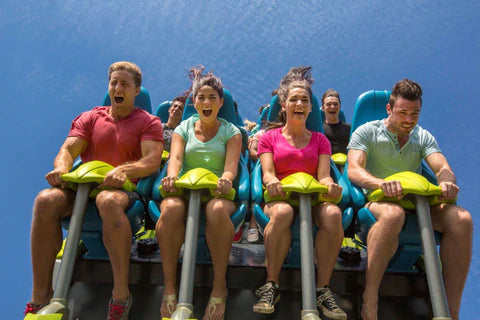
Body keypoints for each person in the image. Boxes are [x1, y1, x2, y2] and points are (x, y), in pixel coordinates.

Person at [24, 61, 164, 319]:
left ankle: (121, 294)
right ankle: (40, 297)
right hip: (83, 188)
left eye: (124, 84)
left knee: (108, 202)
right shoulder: (90, 117)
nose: (117, 87)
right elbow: (68, 150)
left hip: (121, 190)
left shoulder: (149, 122)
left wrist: (123, 171)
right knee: (45, 200)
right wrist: (62, 170)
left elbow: (151, 160)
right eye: (113, 82)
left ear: (136, 91)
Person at [347, 79, 472, 320]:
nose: (408, 120)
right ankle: (369, 299)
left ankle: (450, 312)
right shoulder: (368, 131)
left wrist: (446, 181)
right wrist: (380, 183)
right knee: (394, 214)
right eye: (402, 113)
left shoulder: (421, 136)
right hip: (379, 201)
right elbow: (354, 169)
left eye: (414, 114)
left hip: (417, 202)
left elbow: (441, 165)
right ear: (389, 109)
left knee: (462, 219)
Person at [254, 66, 347, 320]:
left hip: (312, 196)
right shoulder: (269, 138)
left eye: (304, 100)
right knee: (282, 212)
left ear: (310, 108)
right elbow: (268, 172)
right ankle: (271, 284)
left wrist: (329, 185)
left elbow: (325, 174)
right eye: (293, 99)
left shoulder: (320, 140)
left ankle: (322, 289)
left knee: (333, 215)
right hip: (281, 195)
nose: (299, 103)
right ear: (283, 105)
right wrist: (273, 182)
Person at [155, 66, 242, 320]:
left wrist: (225, 180)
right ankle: (170, 287)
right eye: (201, 98)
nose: (206, 102)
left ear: (220, 102)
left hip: (217, 190)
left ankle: (219, 287)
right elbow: (176, 158)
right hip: (185, 187)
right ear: (194, 103)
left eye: (212, 98)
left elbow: (231, 167)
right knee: (170, 209)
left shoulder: (231, 131)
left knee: (216, 210)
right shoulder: (184, 127)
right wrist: (171, 176)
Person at [321, 89, 351, 155]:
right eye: (328, 104)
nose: (332, 107)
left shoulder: (350, 130)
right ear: (323, 108)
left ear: (340, 106)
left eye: (335, 104)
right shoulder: (319, 131)